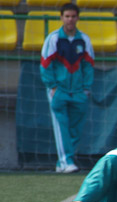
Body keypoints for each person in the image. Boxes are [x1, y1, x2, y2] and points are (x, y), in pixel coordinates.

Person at [40, 3, 94, 174]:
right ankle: (66, 161)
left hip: (79, 92)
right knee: (61, 125)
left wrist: (86, 88)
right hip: (60, 91)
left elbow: (89, 65)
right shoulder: (54, 38)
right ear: (61, 17)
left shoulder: (84, 40)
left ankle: (63, 160)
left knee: (76, 128)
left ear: (78, 18)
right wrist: (53, 86)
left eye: (73, 16)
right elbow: (45, 64)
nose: (70, 20)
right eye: (67, 16)